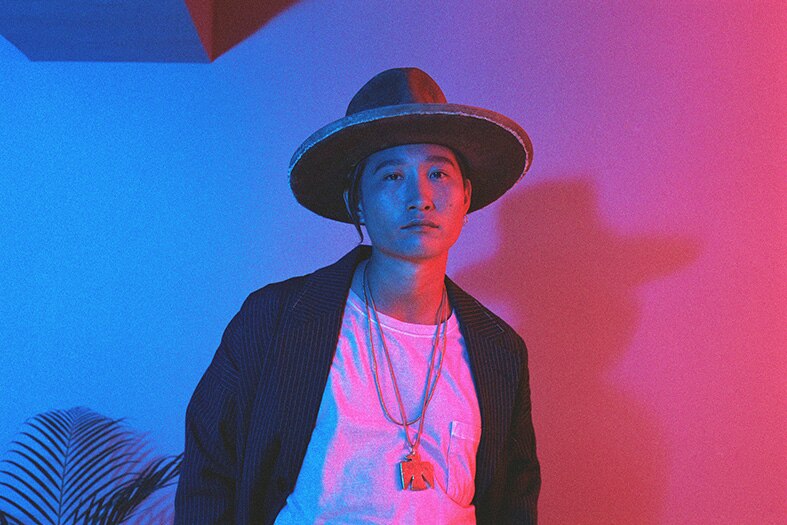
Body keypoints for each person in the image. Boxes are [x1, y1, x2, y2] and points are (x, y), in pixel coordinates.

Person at [174, 67, 540, 524]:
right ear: (357, 202)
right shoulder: (275, 319)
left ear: (465, 195)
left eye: (438, 173)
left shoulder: (499, 350)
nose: (420, 197)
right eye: (392, 176)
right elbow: (208, 476)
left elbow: (514, 502)